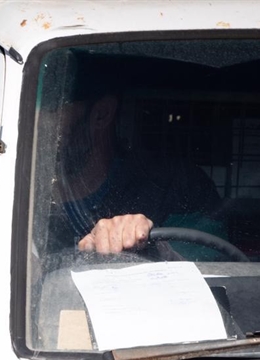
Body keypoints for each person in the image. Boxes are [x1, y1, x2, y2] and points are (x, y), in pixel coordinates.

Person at [46, 54, 222, 257]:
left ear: (102, 114)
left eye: (52, 108)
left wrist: (148, 246)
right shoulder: (21, 193)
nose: (39, 123)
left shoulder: (177, 188)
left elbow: (212, 266)